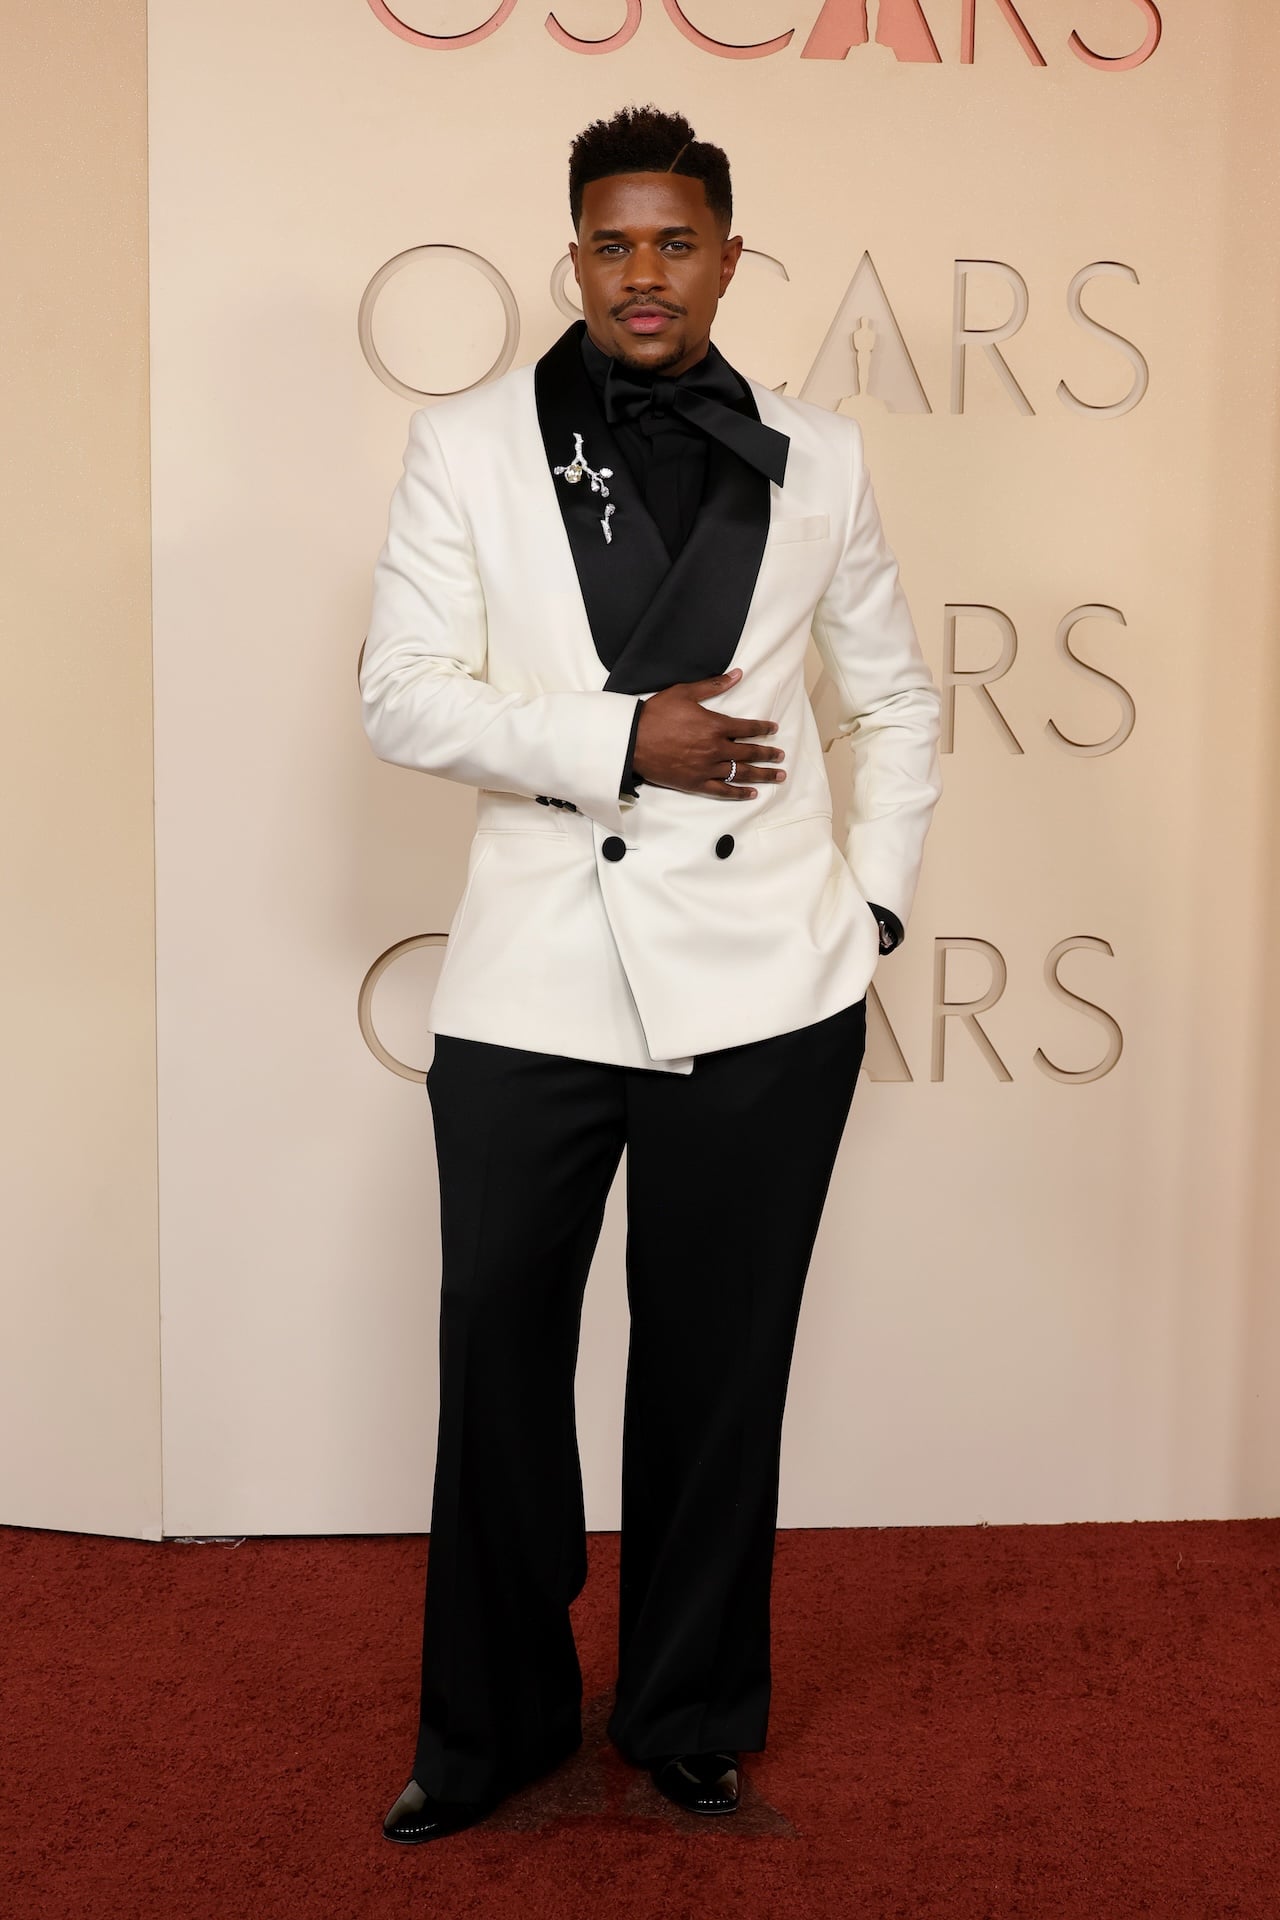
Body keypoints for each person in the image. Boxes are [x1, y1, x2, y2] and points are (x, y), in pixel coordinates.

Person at [360, 103, 943, 1843]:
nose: (641, 273)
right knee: (495, 1355)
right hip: (533, 979)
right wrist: (626, 739)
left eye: (674, 242)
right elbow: (402, 691)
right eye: (610, 243)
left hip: (769, 983)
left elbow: (895, 698)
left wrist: (878, 912)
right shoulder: (464, 440)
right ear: (574, 258)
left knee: (717, 1366)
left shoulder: (819, 453)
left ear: (727, 258)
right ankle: (492, 1725)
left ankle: (686, 1707)